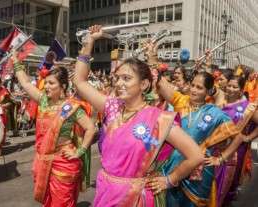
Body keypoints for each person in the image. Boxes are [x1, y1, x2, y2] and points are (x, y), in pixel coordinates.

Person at [72, 25, 203, 207]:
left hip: (136, 199)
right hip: (106, 192)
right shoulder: (112, 107)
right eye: (117, 78)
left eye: (126, 78)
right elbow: (79, 81)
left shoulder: (159, 119)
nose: (119, 83)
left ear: (144, 85)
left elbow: (195, 155)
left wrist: (169, 180)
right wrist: (89, 41)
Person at [12, 50, 95, 207]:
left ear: (62, 86)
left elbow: (91, 128)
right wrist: (16, 60)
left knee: (62, 203)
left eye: (51, 83)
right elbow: (24, 83)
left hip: (63, 164)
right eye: (46, 82)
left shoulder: (72, 107)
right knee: (47, 201)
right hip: (42, 161)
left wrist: (79, 151)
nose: (46, 87)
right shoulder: (43, 100)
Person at [156, 69, 243, 206]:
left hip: (199, 173)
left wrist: (220, 159)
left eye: (199, 88)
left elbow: (238, 137)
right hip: (173, 165)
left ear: (208, 92)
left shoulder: (215, 113)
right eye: (193, 85)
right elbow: (161, 84)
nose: (194, 90)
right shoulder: (181, 102)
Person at [204, 75, 258, 206]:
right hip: (213, 148)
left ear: (241, 89)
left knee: (227, 185)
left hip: (235, 151)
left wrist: (248, 137)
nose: (231, 89)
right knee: (209, 184)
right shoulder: (218, 101)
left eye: (235, 87)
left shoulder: (248, 107)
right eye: (229, 85)